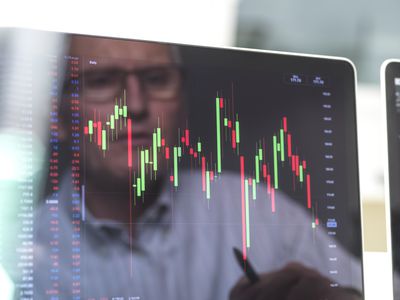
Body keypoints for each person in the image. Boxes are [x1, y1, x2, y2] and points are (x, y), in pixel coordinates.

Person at [31, 35, 363, 300]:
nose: (135, 105)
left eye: (157, 79)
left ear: (183, 105)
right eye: (102, 80)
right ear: (57, 116)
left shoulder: (255, 209)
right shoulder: (24, 256)